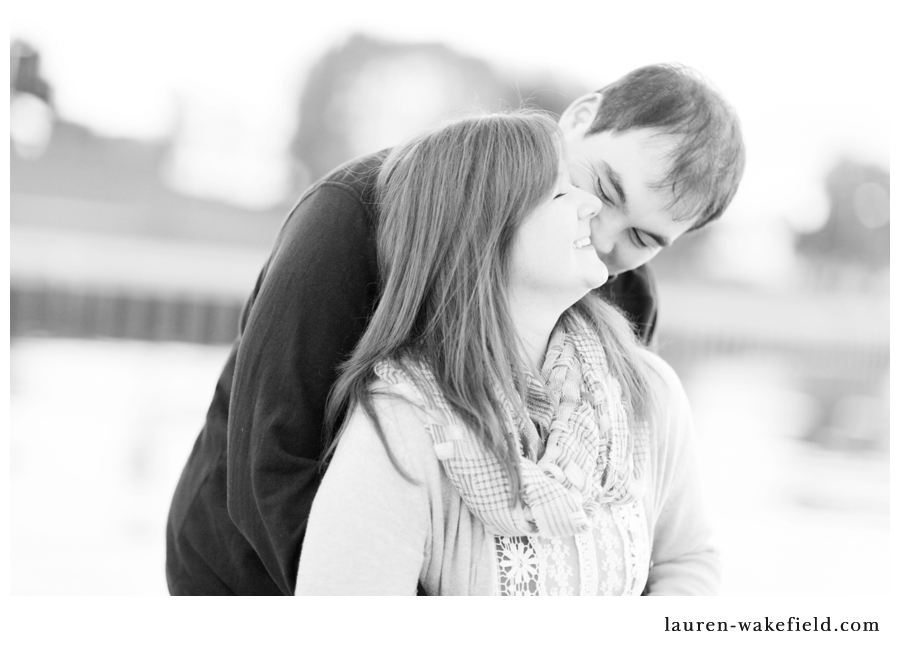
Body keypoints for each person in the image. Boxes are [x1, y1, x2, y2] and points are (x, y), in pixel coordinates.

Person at [165, 63, 744, 595]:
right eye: (602, 188)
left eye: (643, 240)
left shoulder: (625, 304)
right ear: (581, 117)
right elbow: (271, 453)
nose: (604, 235)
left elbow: (639, 507)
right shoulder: (351, 219)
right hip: (245, 575)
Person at [296, 110, 716, 595]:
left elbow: (688, 560)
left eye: (643, 237)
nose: (591, 211)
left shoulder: (647, 390)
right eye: (562, 192)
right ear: (487, 229)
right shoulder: (403, 428)